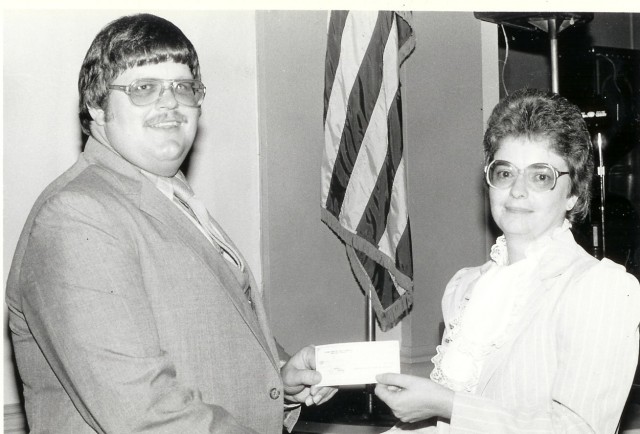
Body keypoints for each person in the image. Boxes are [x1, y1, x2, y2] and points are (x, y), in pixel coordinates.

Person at [5, 13, 335, 434]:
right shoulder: (77, 214)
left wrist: (281, 377)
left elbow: (199, 335)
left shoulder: (169, 193)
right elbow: (141, 414)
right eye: (144, 89)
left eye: (184, 87)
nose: (170, 103)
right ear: (97, 107)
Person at [375, 88, 640, 433]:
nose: (517, 190)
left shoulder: (601, 287)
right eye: (505, 172)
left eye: (540, 176)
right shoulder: (465, 287)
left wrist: (447, 405)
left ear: (574, 193)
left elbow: (578, 428)